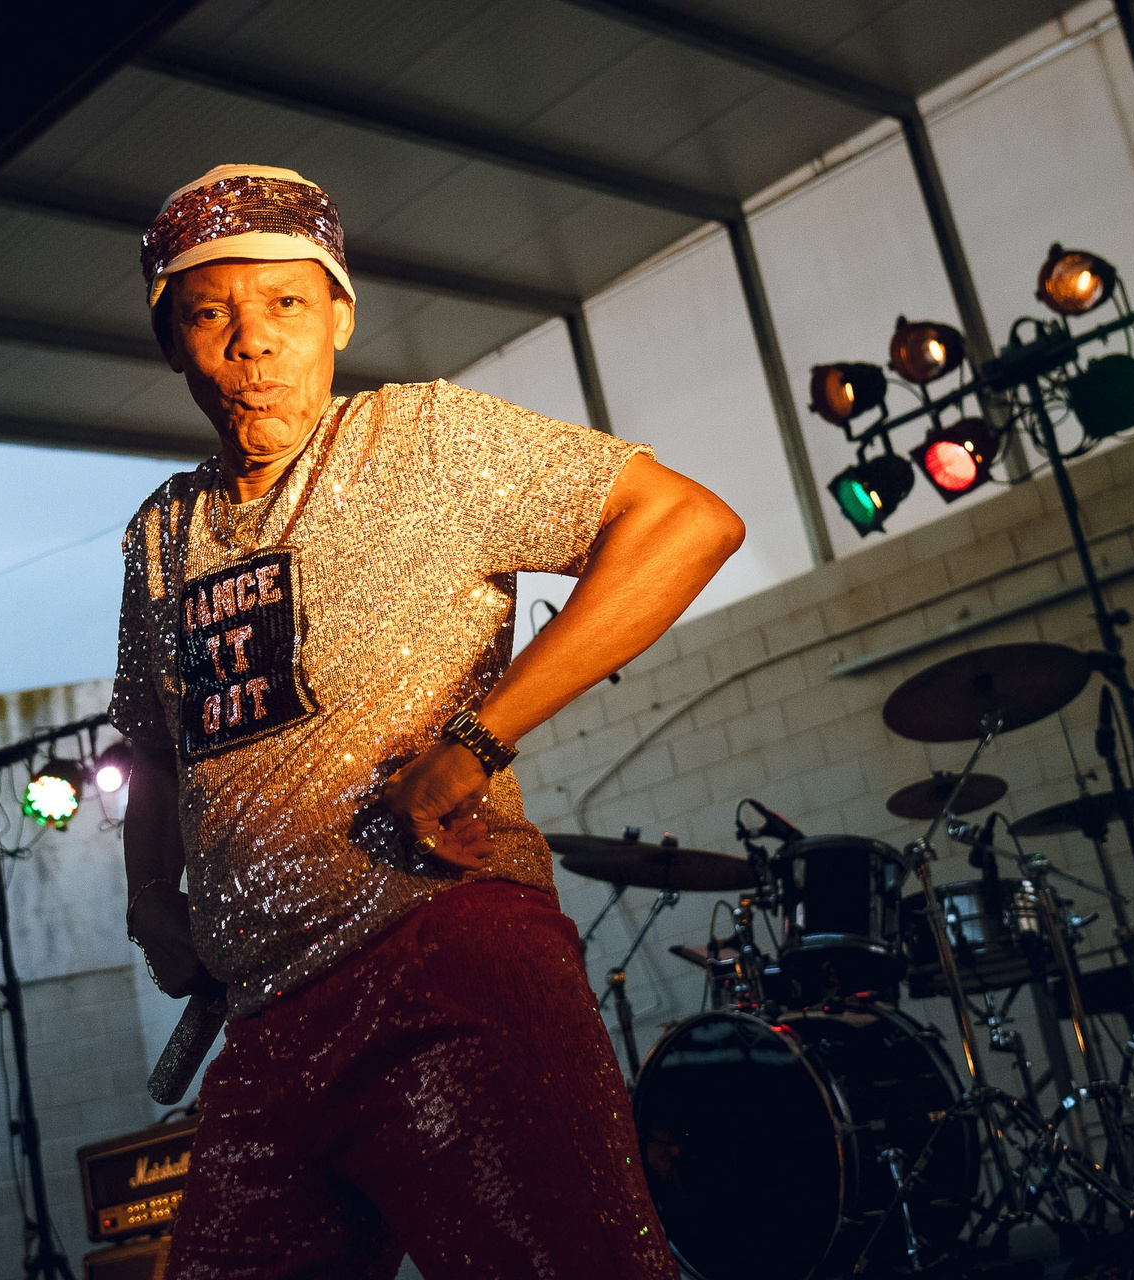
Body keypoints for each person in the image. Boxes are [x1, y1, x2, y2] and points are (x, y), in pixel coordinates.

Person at [112, 163, 743, 1279]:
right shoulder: (161, 531)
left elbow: (685, 523)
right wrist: (153, 895)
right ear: (173, 344)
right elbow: (154, 749)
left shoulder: (421, 438)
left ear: (340, 315)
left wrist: (475, 743)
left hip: (445, 962)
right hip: (263, 1022)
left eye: (286, 302)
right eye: (210, 314)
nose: (252, 341)